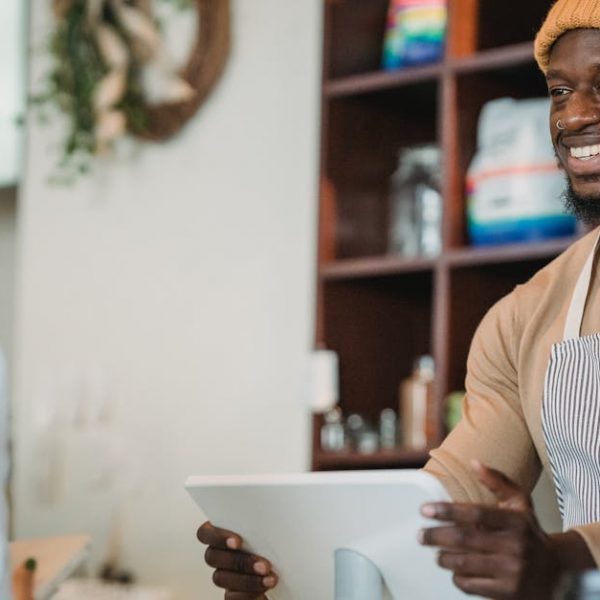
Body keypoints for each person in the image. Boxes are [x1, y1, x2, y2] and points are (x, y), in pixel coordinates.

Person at [197, 1, 600, 597]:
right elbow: (445, 503)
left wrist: (570, 562)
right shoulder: (525, 317)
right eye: (560, 90)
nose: (574, 116)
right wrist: (287, 558)